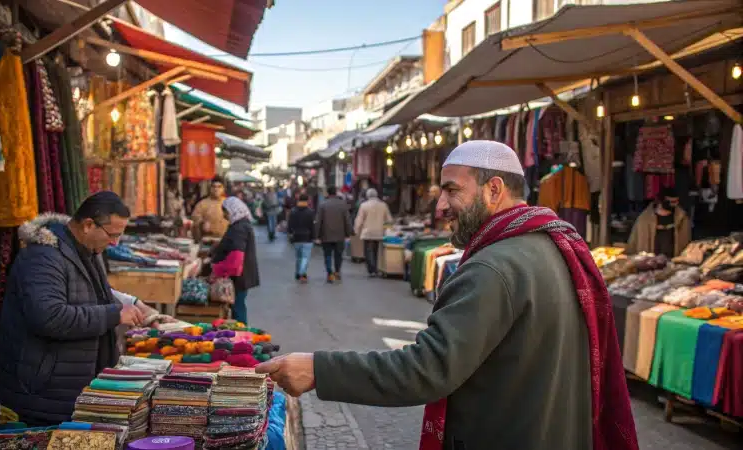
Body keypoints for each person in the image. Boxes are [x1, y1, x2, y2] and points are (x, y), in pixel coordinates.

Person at [256, 141, 638, 450]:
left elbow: (428, 368)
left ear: (494, 190)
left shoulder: (493, 268)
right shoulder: (554, 246)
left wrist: (319, 370)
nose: (439, 206)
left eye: (452, 190)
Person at [0, 192, 176, 425]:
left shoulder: (85, 249)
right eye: (112, 235)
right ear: (88, 225)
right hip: (38, 391)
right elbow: (50, 316)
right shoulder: (43, 257)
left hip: (64, 386)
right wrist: (114, 314)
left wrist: (137, 306)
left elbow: (94, 292)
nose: (115, 242)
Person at [211, 197, 260, 324]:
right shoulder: (240, 224)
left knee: (238, 307)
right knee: (238, 306)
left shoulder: (239, 228)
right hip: (240, 275)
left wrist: (218, 269)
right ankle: (242, 335)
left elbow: (236, 257)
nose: (224, 216)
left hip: (238, 277)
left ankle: (243, 336)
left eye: (225, 212)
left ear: (233, 210)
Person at [626, 187, 691, 258]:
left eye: (676, 202)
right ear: (661, 201)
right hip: (650, 263)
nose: (675, 205)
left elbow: (686, 243)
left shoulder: (682, 218)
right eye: (672, 202)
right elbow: (634, 243)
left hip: (674, 262)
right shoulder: (644, 219)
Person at [315, 186, 353, 284]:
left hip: (326, 235)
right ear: (336, 193)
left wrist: (316, 235)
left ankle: (329, 273)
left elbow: (318, 221)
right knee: (338, 254)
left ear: (327, 193)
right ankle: (337, 271)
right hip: (340, 235)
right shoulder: (342, 204)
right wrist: (349, 233)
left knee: (327, 255)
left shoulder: (322, 205)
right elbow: (347, 220)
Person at [354, 188, 393, 277]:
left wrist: (356, 230)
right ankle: (375, 267)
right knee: (375, 250)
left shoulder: (364, 205)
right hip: (379, 232)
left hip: (367, 232)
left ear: (368, 196)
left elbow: (359, 219)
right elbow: (389, 219)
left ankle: (371, 269)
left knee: (368, 250)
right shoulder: (383, 205)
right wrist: (389, 230)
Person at [287, 194, 315, 283]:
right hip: (307, 238)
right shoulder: (310, 212)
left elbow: (290, 225)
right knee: (305, 257)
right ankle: (302, 273)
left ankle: (298, 273)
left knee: (299, 257)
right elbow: (312, 226)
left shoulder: (293, 211)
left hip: (296, 237)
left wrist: (290, 234)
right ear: (307, 201)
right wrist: (314, 237)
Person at [191, 177, 228, 242]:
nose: (216, 189)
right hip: (207, 240)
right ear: (210, 188)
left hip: (225, 240)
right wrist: (202, 223)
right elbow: (194, 219)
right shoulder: (202, 204)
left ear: (223, 189)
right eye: (213, 186)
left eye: (219, 187)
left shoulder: (228, 203)